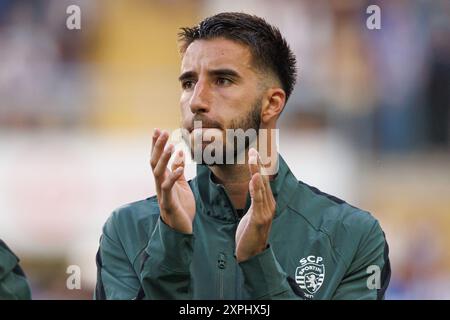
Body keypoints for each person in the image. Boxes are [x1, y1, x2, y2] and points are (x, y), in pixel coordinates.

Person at [95, 12, 390, 300]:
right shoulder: (126, 231)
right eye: (188, 83)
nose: (196, 101)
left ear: (272, 103)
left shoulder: (352, 236)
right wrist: (171, 245)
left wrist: (258, 263)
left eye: (222, 80)